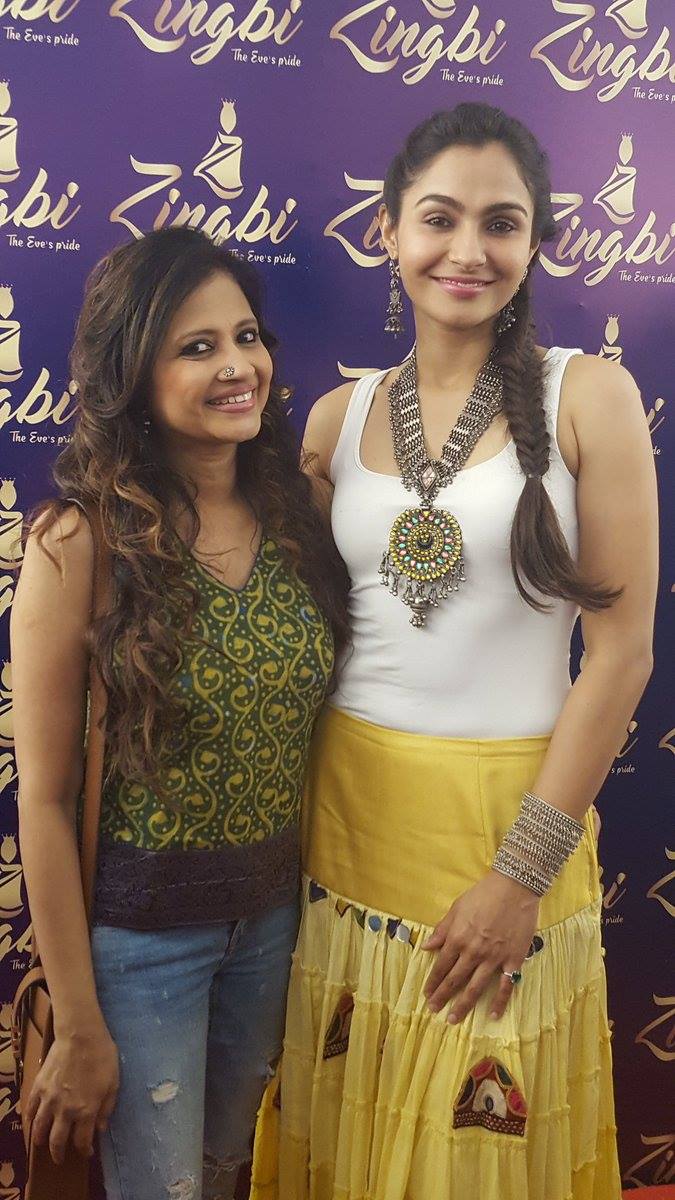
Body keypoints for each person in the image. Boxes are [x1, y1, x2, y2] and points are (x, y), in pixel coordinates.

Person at [254, 103, 658, 1199]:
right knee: (353, 1127)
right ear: (388, 229)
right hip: (346, 822)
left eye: (501, 223)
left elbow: (621, 655)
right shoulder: (336, 418)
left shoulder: (590, 395)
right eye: (438, 218)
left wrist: (520, 877)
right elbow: (297, 632)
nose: (467, 250)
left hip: (508, 826)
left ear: (534, 241)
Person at [10, 226, 349, 1200]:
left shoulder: (304, 516)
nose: (237, 366)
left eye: (245, 337)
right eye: (197, 347)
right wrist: (79, 1023)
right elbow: (45, 801)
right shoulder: (79, 543)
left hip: (277, 932)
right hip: (141, 949)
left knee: (232, 1177)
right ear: (133, 372)